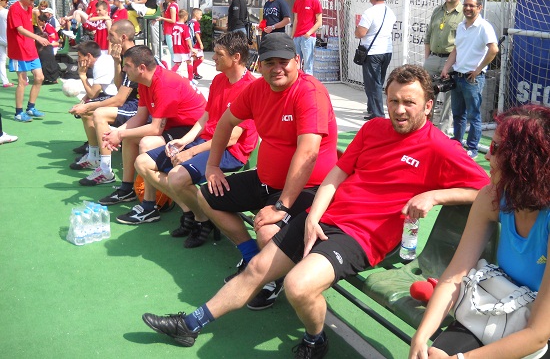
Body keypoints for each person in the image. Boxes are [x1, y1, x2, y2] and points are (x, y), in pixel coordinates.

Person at [141, 64, 490, 358]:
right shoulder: (373, 129)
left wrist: (435, 196)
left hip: (364, 237)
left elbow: (489, 190)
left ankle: (314, 338)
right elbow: (337, 175)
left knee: (297, 286)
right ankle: (190, 325)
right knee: (258, 267)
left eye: (409, 103)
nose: (399, 110)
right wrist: (312, 217)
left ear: (428, 106)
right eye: (393, 101)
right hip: (329, 218)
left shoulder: (440, 147)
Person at [195, 32, 338, 309]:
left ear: (298, 61)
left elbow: (308, 153)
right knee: (207, 195)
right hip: (266, 182)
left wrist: (282, 206)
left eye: (284, 61)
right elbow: (225, 123)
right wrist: (212, 166)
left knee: (267, 231)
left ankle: (273, 279)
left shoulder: (310, 92)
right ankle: (251, 256)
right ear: (259, 65)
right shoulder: (257, 89)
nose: (277, 68)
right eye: (269, 62)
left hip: (309, 189)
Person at [410, 104, 550, 359]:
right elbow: (454, 276)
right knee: (433, 353)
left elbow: (537, 334)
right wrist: (421, 336)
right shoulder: (491, 197)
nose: (487, 155)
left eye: (495, 148)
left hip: (539, 331)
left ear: (525, 161)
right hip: (497, 305)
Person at [116, 31, 258, 232]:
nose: (213, 57)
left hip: (230, 151)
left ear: (236, 57)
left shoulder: (250, 88)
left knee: (177, 176)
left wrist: (190, 152)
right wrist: (184, 141)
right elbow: (206, 117)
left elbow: (231, 139)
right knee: (143, 162)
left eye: (219, 54)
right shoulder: (219, 80)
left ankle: (200, 218)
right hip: (206, 141)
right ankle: (198, 213)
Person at [98, 45, 206, 206]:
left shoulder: (164, 84)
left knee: (146, 143)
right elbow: (140, 117)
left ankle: (149, 205)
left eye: (127, 65)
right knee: (130, 137)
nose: (124, 69)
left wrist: (119, 134)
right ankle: (126, 189)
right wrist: (115, 134)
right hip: (176, 126)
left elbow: (156, 129)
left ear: (142, 68)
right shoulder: (144, 81)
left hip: (193, 130)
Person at [77, 20, 140, 185]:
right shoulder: (125, 56)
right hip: (132, 101)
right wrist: (116, 62)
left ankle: (105, 170)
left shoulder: (135, 57)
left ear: (123, 37)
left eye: (111, 35)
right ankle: (94, 157)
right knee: (89, 112)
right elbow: (120, 87)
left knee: (98, 113)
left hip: (141, 106)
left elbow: (120, 99)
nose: (108, 38)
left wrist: (89, 105)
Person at [441, 0, 498, 159]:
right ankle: (457, 143)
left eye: (471, 6)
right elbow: (456, 49)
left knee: (473, 116)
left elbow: (494, 49)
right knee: (458, 114)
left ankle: (472, 148)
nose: (467, 8)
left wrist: (479, 69)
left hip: (472, 79)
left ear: (479, 8)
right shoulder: (461, 26)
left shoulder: (484, 27)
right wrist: (446, 67)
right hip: (457, 76)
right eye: (466, 5)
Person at [67, 41, 118, 173]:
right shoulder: (103, 60)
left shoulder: (100, 66)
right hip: (111, 96)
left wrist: (82, 76)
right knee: (85, 108)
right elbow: (95, 92)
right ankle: (92, 153)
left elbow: (93, 94)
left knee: (87, 112)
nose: (78, 60)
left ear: (88, 56)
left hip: (117, 99)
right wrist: (83, 101)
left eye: (80, 56)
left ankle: (94, 156)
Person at [424, 0, 464, 135]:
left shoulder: (464, 14)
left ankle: (442, 133)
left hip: (452, 61)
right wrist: (428, 59)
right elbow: (428, 37)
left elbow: (463, 43)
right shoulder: (437, 11)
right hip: (433, 59)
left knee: (449, 101)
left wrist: (452, 63)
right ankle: (425, 130)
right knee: (427, 95)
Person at [7, 0, 50, 122]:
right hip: (18, 50)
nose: (32, 3)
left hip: (30, 48)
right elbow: (19, 29)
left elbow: (29, 25)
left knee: (39, 77)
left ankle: (31, 108)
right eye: (31, 0)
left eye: (34, 0)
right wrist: (37, 37)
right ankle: (18, 113)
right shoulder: (14, 9)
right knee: (22, 81)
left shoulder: (30, 8)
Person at [355, 0, 397, 120]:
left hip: (373, 52)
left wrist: (357, 29)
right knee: (378, 82)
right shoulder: (390, 12)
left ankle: (378, 115)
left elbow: (360, 33)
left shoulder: (370, 12)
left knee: (373, 84)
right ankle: (372, 108)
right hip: (386, 51)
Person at [291, 0, 322, 75]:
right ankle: (297, 82)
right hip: (297, 36)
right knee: (295, 64)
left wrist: (309, 33)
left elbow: (319, 22)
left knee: (308, 65)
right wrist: (292, 36)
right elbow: (296, 20)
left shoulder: (315, 1)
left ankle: (308, 83)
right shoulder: (297, 1)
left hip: (308, 37)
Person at [156, 0, 180, 68]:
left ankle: (174, 68)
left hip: (171, 30)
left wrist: (162, 18)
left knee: (172, 50)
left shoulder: (172, 7)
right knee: (172, 50)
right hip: (170, 29)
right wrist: (161, 8)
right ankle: (174, 67)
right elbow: (166, 17)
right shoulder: (172, 5)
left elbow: (173, 20)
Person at [170, 9, 194, 79]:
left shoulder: (174, 26)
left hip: (176, 47)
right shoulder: (185, 27)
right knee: (189, 62)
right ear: (185, 17)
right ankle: (190, 79)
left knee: (178, 63)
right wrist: (191, 48)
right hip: (183, 48)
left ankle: (170, 75)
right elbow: (188, 38)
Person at [0, 0, 13, 88]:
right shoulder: (6, 12)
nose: (7, 3)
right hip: (9, 38)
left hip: (1, 39)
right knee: (19, 58)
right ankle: (24, 79)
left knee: (2, 61)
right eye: (6, 1)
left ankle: (5, 81)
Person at [189, 8, 204, 81]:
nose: (201, 16)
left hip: (191, 43)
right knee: (201, 58)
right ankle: (191, 72)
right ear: (196, 14)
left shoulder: (189, 22)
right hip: (196, 43)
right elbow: (197, 34)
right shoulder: (196, 23)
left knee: (195, 59)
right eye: (200, 15)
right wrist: (200, 43)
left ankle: (196, 74)